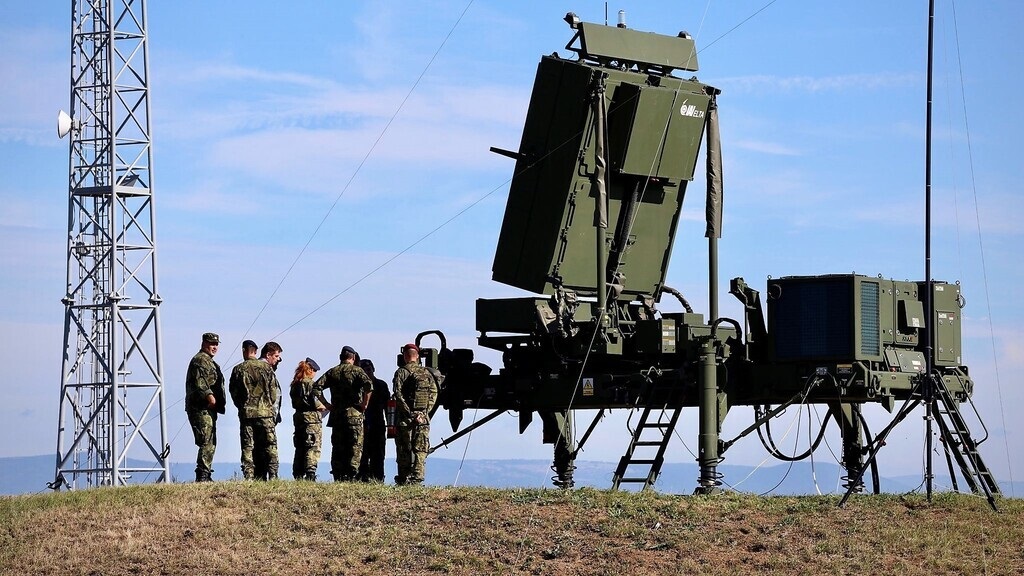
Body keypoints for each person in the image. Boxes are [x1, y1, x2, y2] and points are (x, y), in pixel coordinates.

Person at [315, 345, 373, 481]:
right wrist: (365, 404)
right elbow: (369, 386)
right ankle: (352, 474)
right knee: (355, 445)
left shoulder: (333, 372)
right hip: (354, 414)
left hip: (337, 416)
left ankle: (338, 474)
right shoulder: (357, 371)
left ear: (341, 357)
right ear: (353, 357)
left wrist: (328, 404)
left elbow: (316, 388)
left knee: (338, 446)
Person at [392, 343, 438, 486]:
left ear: (405, 356)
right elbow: (434, 394)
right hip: (422, 418)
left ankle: (404, 477)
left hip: (406, 419)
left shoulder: (401, 372)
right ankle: (417, 478)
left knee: (404, 448)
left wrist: (410, 413)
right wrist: (424, 413)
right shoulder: (427, 373)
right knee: (420, 449)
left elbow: (398, 395)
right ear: (417, 356)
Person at [184, 332, 225, 482]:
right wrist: (211, 398)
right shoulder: (200, 360)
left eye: (216, 345)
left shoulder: (208, 361)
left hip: (207, 408)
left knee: (210, 440)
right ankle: (202, 474)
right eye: (211, 344)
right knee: (206, 440)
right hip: (200, 407)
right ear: (203, 344)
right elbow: (201, 383)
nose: (214, 347)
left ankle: (205, 472)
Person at [228, 339, 262, 480]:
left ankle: (249, 475)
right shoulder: (266, 368)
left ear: (244, 350)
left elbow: (233, 391)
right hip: (264, 414)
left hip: (246, 412)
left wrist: (242, 405)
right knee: (266, 445)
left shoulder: (238, 369)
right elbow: (273, 392)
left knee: (248, 445)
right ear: (256, 351)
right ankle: (270, 474)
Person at [290, 357, 325, 480]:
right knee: (312, 446)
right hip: (311, 419)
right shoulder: (311, 384)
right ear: (310, 370)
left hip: (299, 417)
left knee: (299, 447)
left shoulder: (295, 384)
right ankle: (310, 473)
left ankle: (298, 473)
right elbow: (318, 404)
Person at [252, 341, 283, 480]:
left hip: (250, 414)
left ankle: (259, 476)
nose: (277, 360)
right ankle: (272, 476)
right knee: (269, 447)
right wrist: (274, 415)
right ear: (268, 354)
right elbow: (273, 395)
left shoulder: (249, 368)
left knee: (256, 447)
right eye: (276, 356)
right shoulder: (266, 370)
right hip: (266, 415)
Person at [357, 358, 390, 482]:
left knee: (378, 456)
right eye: (364, 370)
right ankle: (363, 478)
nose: (367, 372)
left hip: (378, 425)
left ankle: (378, 479)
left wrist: (391, 426)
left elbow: (388, 407)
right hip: (362, 426)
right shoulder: (359, 387)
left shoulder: (381, 386)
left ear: (373, 369)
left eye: (369, 369)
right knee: (362, 456)